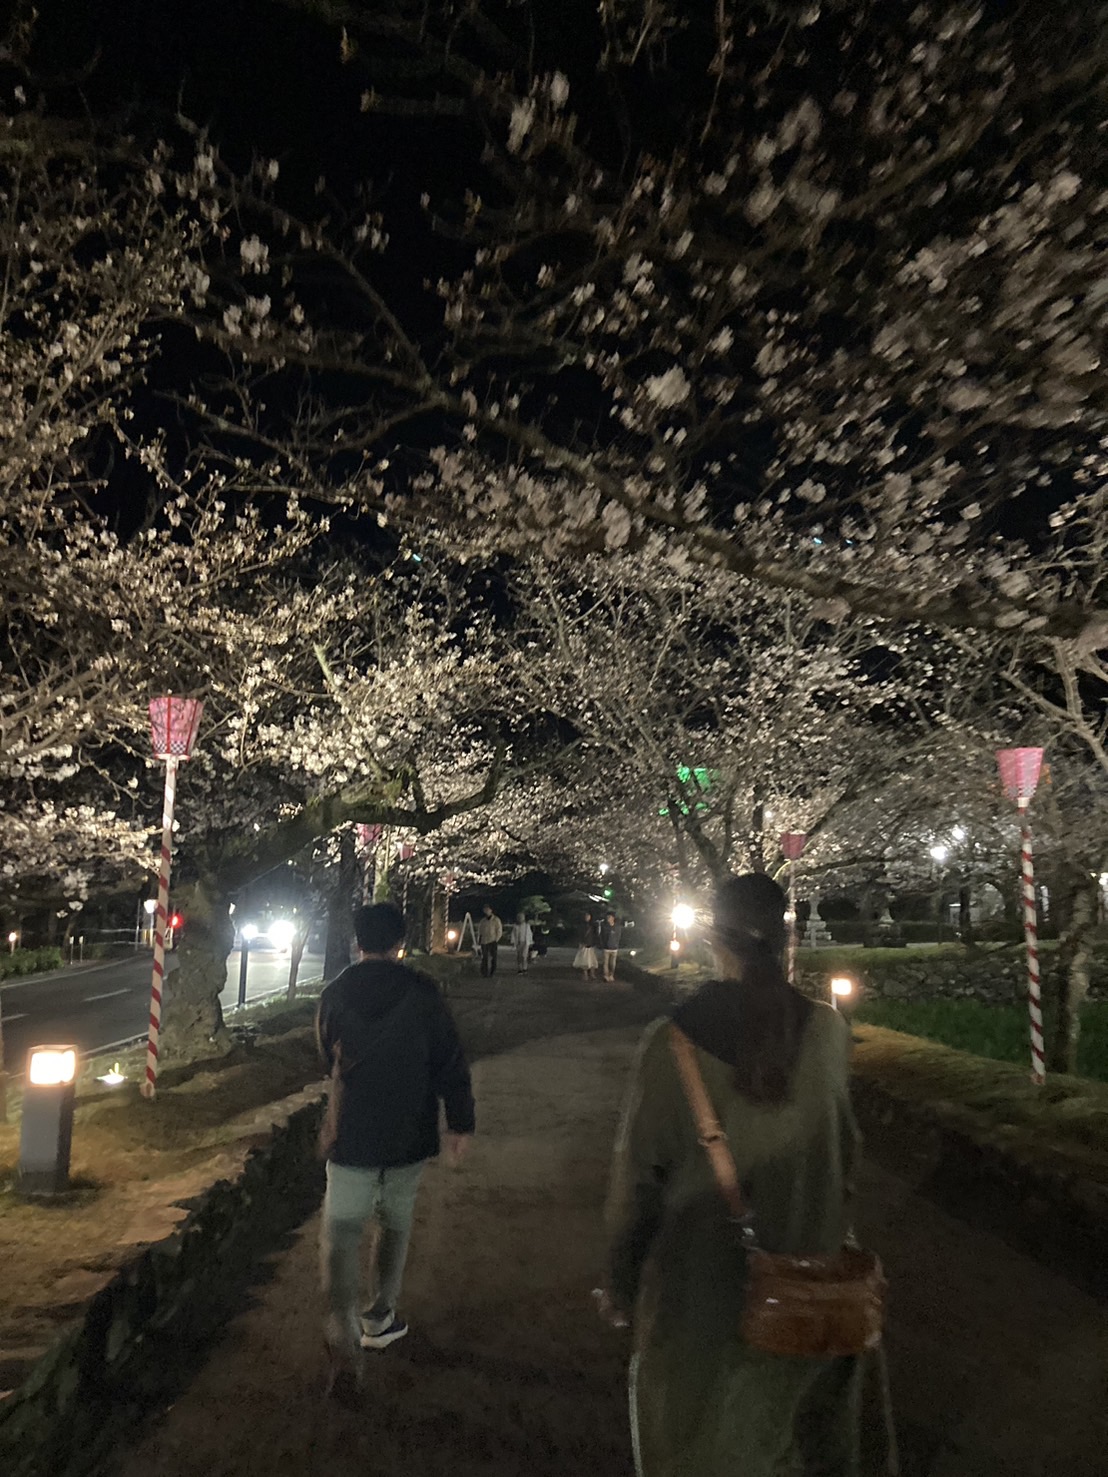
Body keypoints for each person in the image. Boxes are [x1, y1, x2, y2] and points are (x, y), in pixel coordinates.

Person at [601, 873, 861, 1476]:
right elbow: (848, 1157)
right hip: (810, 1291)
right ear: (786, 939)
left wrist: (620, 1278)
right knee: (792, 1438)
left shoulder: (674, 1044)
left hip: (704, 1295)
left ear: (712, 941)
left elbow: (637, 1183)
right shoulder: (827, 1031)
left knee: (699, 1442)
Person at [316, 902, 475, 1400]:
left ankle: (341, 1329)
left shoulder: (336, 993)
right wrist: (460, 1122)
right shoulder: (424, 993)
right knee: (395, 1223)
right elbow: (450, 1059)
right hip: (409, 1131)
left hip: (352, 1135)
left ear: (358, 941)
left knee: (340, 1234)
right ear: (399, 943)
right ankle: (380, 1315)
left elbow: (326, 1055)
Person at [477, 903, 503, 976]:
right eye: (485, 909)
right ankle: (484, 972)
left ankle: (492, 971)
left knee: (493, 957)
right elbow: (480, 931)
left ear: (491, 910)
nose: (486, 911)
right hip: (484, 941)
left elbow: (499, 930)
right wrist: (479, 939)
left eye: (487, 909)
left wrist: (496, 939)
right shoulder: (483, 921)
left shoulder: (496, 920)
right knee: (484, 957)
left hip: (492, 941)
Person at [574, 910, 600, 981]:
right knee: (584, 961)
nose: (587, 917)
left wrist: (596, 943)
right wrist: (580, 943)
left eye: (588, 916)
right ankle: (585, 974)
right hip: (584, 945)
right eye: (586, 916)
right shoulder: (581, 925)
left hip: (591, 945)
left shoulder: (594, 925)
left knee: (592, 960)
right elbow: (579, 935)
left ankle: (592, 974)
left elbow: (596, 935)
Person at [599, 911, 622, 981]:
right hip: (606, 947)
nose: (608, 918)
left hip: (614, 948)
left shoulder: (617, 927)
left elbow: (618, 936)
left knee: (612, 963)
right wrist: (602, 944)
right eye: (607, 917)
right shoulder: (604, 926)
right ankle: (606, 975)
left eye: (609, 917)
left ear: (613, 918)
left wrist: (616, 944)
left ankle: (611, 974)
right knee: (605, 963)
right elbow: (601, 936)